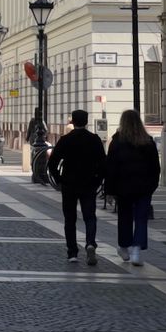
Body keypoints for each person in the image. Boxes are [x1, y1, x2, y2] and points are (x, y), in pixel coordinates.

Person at [47, 109, 106, 265]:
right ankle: (90, 243)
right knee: (90, 216)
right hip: (88, 183)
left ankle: (72, 252)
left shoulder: (65, 140)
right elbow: (103, 163)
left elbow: (52, 163)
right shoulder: (94, 139)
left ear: (72, 121)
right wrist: (98, 180)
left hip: (69, 184)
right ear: (86, 122)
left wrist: (59, 180)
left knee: (70, 219)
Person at [105, 110, 161, 266]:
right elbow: (155, 168)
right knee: (141, 218)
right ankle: (136, 250)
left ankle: (124, 246)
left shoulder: (117, 142)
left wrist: (109, 190)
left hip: (123, 187)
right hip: (144, 187)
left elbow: (111, 168)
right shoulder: (148, 142)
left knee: (125, 217)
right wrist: (152, 185)